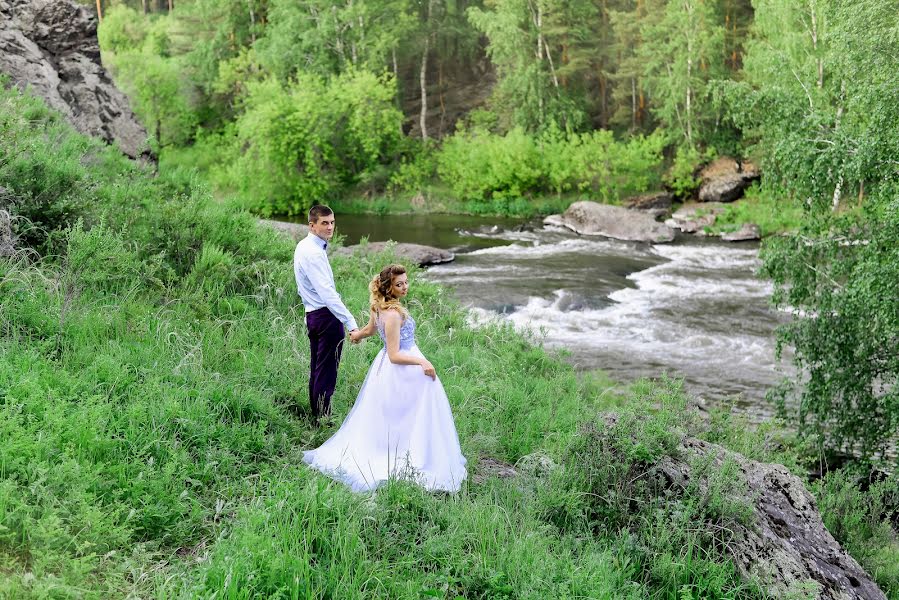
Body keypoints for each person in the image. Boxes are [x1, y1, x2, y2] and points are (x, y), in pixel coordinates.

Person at [303, 264, 468, 493]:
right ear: (388, 287)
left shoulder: (379, 308)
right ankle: (407, 454)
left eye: (406, 282)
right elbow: (394, 355)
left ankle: (407, 447)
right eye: (399, 284)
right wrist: (423, 362)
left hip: (390, 366)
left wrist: (357, 334)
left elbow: (371, 330)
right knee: (406, 413)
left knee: (396, 414)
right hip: (401, 368)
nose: (405, 287)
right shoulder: (391, 314)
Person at [294, 205, 358, 420]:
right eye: (324, 223)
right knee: (326, 372)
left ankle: (317, 416)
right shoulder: (313, 253)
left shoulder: (304, 246)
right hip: (325, 317)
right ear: (312, 225)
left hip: (313, 315)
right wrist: (350, 321)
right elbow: (327, 293)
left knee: (318, 369)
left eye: (332, 222)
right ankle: (323, 418)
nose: (330, 227)